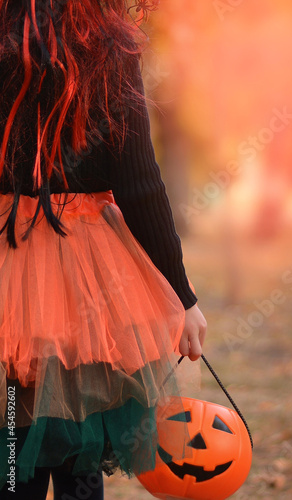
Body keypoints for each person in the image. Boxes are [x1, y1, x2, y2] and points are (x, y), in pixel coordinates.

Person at [0, 1, 207, 499]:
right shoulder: (109, 45)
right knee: (81, 457)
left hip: (8, 258)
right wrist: (184, 296)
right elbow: (138, 185)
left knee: (11, 437)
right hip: (89, 276)